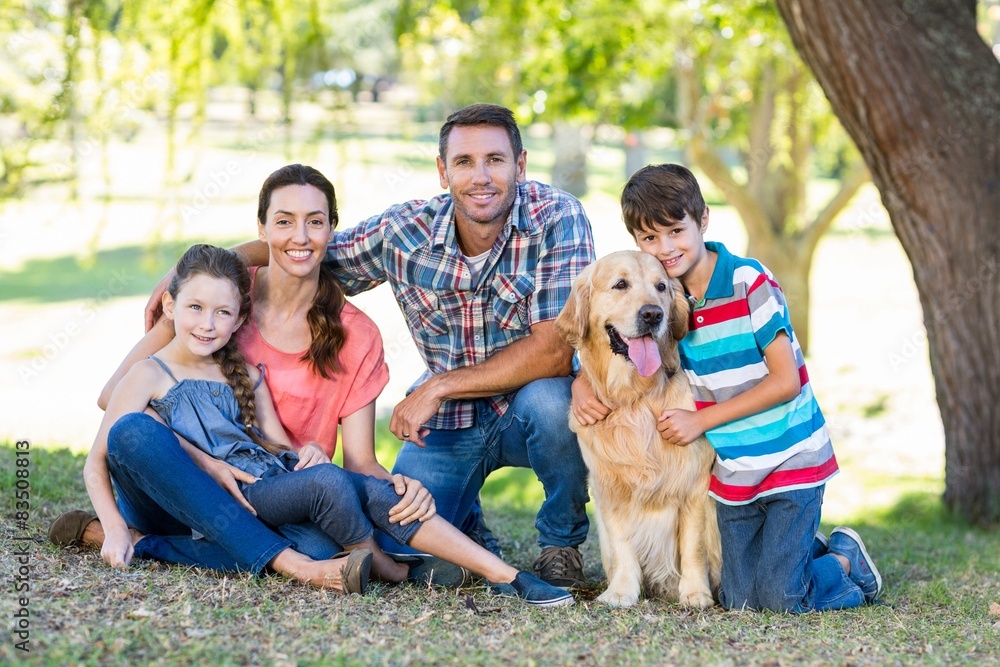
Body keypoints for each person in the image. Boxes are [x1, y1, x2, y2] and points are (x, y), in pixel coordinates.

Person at [144, 104, 596, 589]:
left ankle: (560, 544)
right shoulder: (406, 232)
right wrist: (200, 268)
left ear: (520, 165)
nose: (480, 176)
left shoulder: (558, 217)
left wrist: (438, 386)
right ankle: (468, 525)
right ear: (442, 171)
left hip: (523, 407)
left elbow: (553, 351)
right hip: (449, 423)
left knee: (555, 403)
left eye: (495, 160)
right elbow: (306, 249)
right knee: (403, 539)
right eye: (464, 162)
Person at [77, 242, 572, 605]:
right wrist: (117, 527)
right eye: (195, 308)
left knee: (335, 522)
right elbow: (99, 460)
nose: (207, 324)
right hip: (182, 502)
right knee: (133, 432)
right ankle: (372, 567)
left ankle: (506, 575)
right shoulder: (147, 373)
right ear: (170, 306)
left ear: (239, 318)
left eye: (222, 312)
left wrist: (307, 453)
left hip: (255, 493)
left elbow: (273, 445)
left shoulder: (244, 371)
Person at [571, 163, 883, 612]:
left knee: (780, 597)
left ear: (703, 221)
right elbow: (602, 343)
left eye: (676, 231)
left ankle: (844, 561)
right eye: (651, 238)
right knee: (736, 597)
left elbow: (786, 380)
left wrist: (702, 420)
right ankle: (799, 550)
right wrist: (582, 382)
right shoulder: (670, 293)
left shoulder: (747, 282)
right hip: (736, 473)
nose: (666, 247)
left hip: (790, 460)